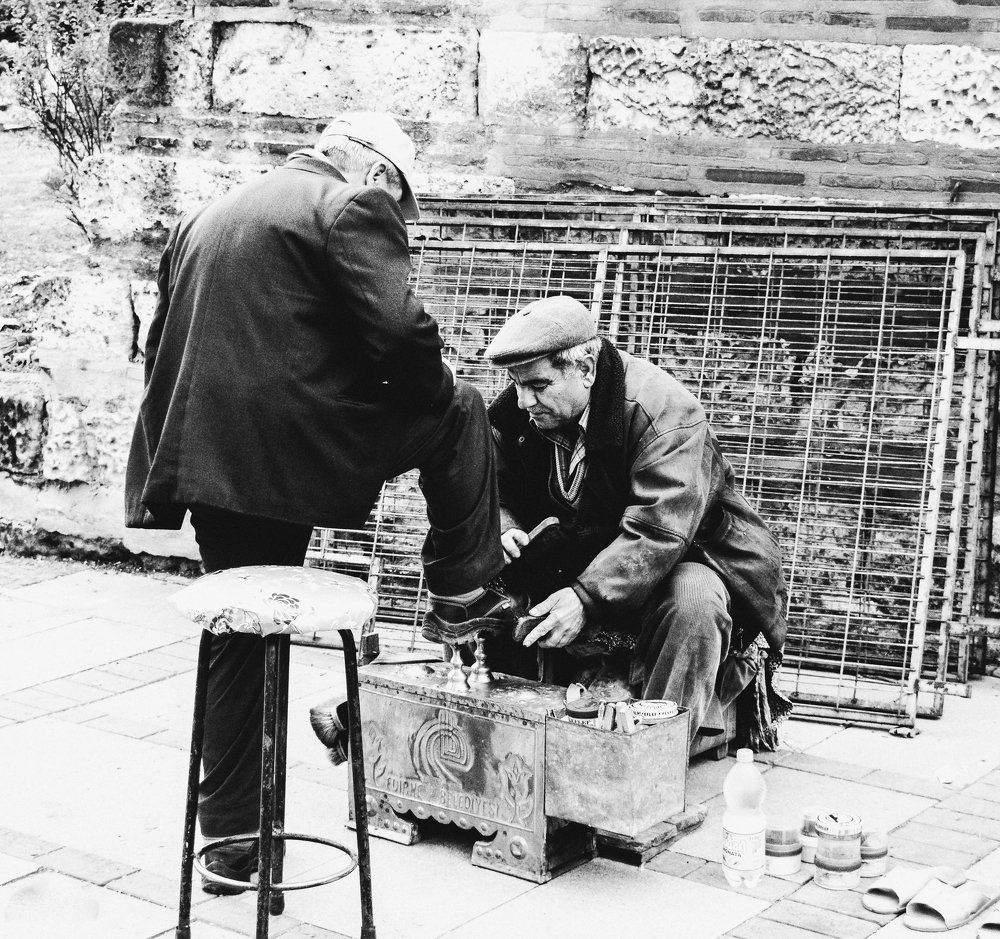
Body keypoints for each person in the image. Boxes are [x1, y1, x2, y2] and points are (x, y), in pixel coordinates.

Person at [124, 112, 526, 893]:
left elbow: (166, 343)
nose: (397, 215)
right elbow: (400, 336)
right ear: (378, 174)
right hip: (285, 449)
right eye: (401, 201)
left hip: (201, 458)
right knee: (462, 408)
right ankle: (463, 596)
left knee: (245, 633)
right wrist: (425, 385)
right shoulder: (349, 204)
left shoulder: (207, 213)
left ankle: (234, 843)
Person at [477, 294, 791, 748]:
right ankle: (504, 731)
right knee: (480, 571)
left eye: (539, 386)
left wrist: (584, 597)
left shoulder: (666, 411)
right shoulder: (521, 407)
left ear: (585, 369)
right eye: (516, 384)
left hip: (690, 555)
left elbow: (658, 531)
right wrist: (503, 524)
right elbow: (488, 483)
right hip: (592, 556)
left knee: (694, 597)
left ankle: (655, 753)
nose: (524, 400)